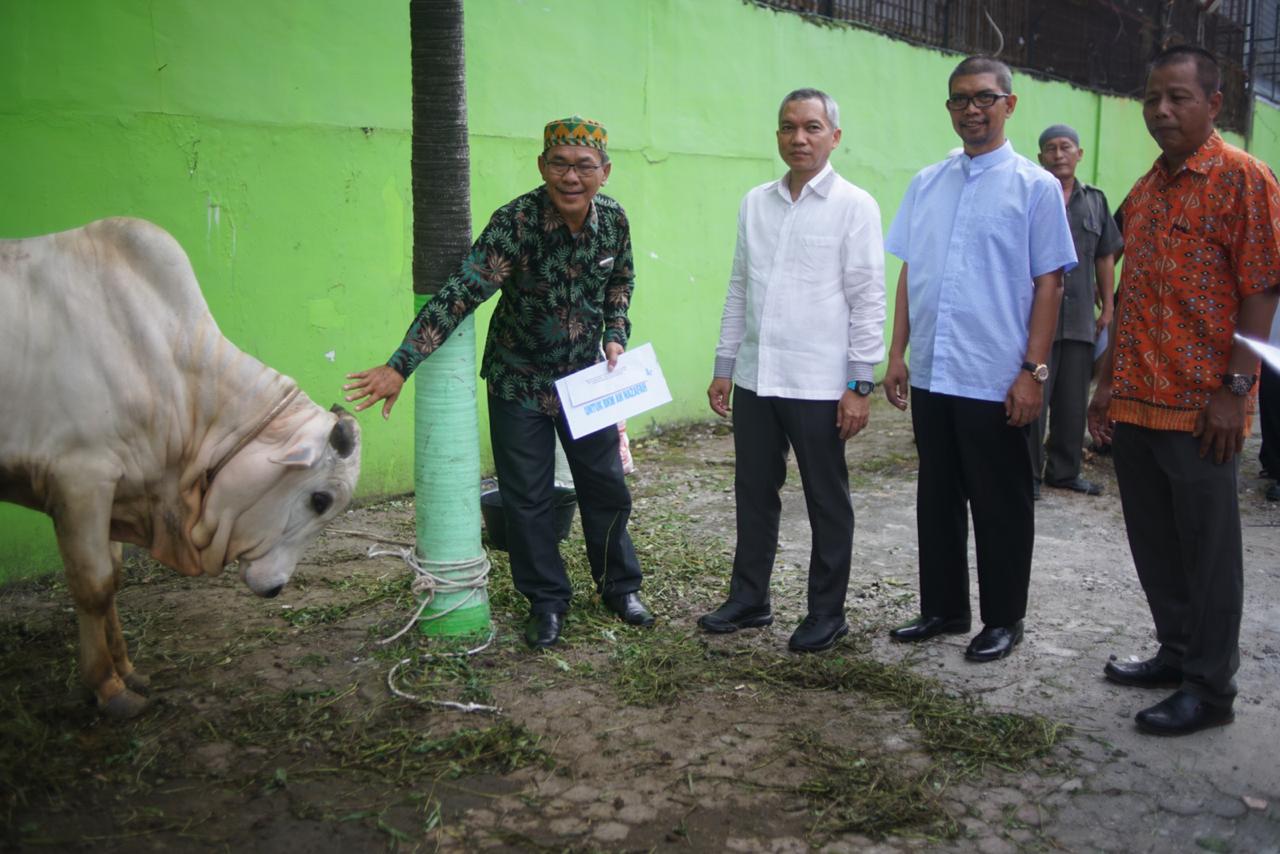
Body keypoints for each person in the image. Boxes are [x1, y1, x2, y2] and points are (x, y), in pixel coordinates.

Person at [343, 115, 654, 650]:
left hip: (588, 382)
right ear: (541, 166)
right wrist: (401, 364)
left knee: (605, 486)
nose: (571, 177)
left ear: (604, 171)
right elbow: (459, 293)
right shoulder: (515, 223)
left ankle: (619, 588)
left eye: (584, 166)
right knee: (527, 499)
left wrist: (616, 332)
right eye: (559, 164)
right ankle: (548, 602)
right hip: (519, 381)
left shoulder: (614, 220)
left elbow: (620, 280)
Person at [1090, 45, 1280, 736]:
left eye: (1178, 97)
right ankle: (1174, 652)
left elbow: (1262, 290)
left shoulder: (1242, 180)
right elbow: (1132, 295)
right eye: (1152, 99)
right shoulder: (1146, 189)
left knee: (1208, 554)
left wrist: (1236, 390)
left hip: (1202, 409)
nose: (1162, 111)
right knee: (1155, 542)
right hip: (1137, 400)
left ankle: (1210, 686)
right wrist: (1105, 383)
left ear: (1213, 104)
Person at [882, 56, 1077, 662]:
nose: (972, 109)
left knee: (1001, 502)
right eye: (960, 99)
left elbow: (1051, 284)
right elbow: (912, 271)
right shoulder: (927, 183)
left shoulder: (1035, 187)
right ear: (949, 108)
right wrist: (896, 354)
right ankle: (943, 608)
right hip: (936, 372)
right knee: (937, 497)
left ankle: (1003, 619)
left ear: (1009, 104)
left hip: (997, 377)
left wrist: (1032, 371)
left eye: (984, 98)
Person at [700, 88, 886, 653]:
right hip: (758, 377)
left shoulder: (856, 205)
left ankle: (827, 612)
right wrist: (725, 365)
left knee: (827, 499)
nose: (798, 138)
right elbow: (740, 287)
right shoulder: (756, 202)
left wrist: (859, 385)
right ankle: (749, 599)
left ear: (834, 135)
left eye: (811, 127)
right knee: (754, 490)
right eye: (787, 127)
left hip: (819, 383)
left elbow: (869, 298)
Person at [1030, 124, 1123, 498]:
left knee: (1071, 403)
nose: (1058, 154)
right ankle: (1029, 474)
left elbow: (1105, 255)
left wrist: (1108, 307)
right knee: (1034, 400)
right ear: (1040, 158)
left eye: (1065, 147)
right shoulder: (1032, 196)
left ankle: (1065, 472)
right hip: (1038, 320)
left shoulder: (1095, 202)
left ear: (1079, 154)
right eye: (1049, 148)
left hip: (1082, 319)